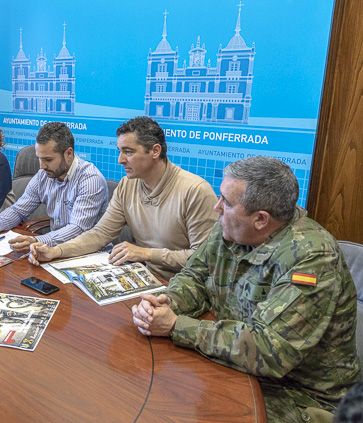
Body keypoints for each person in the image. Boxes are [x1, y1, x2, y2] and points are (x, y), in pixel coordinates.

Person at [131, 156, 360, 422]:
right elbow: (195, 277)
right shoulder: (231, 228)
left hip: (298, 395)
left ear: (261, 219)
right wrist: (167, 302)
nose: (217, 207)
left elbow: (269, 350)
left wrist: (175, 326)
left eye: (226, 202)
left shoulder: (312, 258)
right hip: (241, 368)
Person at [29, 116, 217, 280]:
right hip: (144, 277)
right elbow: (99, 234)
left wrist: (147, 254)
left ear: (155, 151)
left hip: (183, 285)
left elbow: (205, 260)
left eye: (128, 152)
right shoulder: (127, 185)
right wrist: (56, 251)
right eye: (120, 151)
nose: (120, 160)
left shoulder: (195, 191)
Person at [0, 121, 108, 252]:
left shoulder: (90, 180)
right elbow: (19, 210)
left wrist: (38, 240)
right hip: (53, 250)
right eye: (39, 158)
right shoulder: (44, 174)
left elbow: (77, 229)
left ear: (68, 153)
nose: (42, 166)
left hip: (89, 253)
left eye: (48, 159)